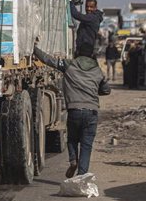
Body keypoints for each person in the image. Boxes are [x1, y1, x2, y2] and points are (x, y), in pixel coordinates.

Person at [34, 40, 111, 178]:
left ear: (77, 52)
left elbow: (48, 60)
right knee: (86, 145)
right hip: (91, 112)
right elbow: (106, 90)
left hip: (74, 110)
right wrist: (94, 91)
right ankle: (82, 176)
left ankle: (73, 160)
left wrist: (33, 48)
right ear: (92, 55)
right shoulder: (98, 71)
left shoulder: (69, 65)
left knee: (72, 139)